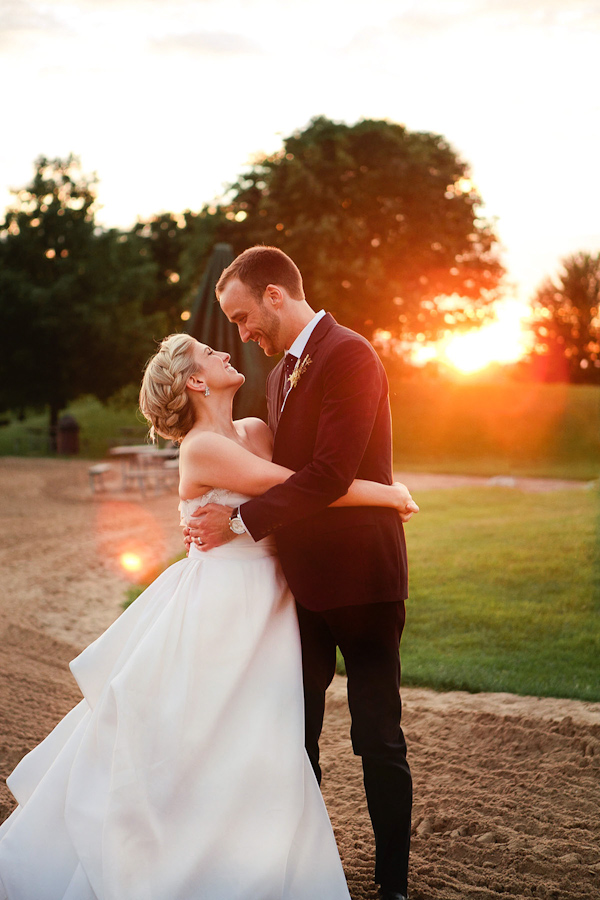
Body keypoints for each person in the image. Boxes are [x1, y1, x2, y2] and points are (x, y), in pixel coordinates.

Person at [0, 332, 416, 900]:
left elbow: (308, 487)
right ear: (196, 381)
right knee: (210, 738)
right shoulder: (201, 448)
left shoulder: (255, 432)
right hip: (223, 607)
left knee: (266, 741)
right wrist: (388, 495)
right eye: (208, 352)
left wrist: (248, 517)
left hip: (276, 599)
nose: (225, 351)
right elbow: (297, 487)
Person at [185, 246, 416, 900]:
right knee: (294, 737)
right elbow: (279, 473)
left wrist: (236, 522)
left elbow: (330, 475)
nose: (241, 332)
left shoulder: (350, 354)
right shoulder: (279, 374)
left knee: (378, 738)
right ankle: (297, 876)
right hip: (299, 590)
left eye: (241, 316)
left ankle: (392, 887)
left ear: (275, 296)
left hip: (364, 581)